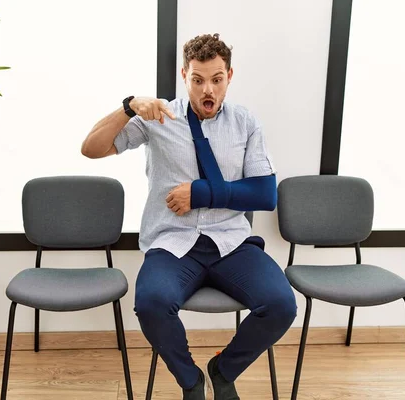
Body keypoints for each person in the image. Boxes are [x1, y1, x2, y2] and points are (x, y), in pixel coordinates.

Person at [81, 33, 296, 400]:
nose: (207, 90)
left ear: (230, 75)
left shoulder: (245, 123)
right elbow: (91, 148)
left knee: (281, 305)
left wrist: (200, 193)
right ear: (184, 76)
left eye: (217, 79)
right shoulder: (158, 117)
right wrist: (129, 106)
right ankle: (191, 380)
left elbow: (265, 194)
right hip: (172, 242)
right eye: (198, 80)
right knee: (150, 304)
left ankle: (223, 370)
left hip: (231, 242)